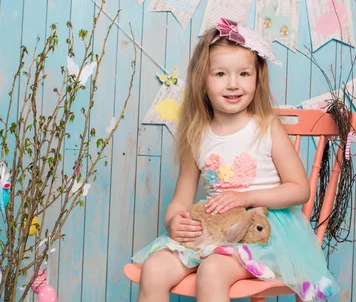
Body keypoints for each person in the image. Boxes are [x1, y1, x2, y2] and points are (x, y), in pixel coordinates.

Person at [131, 18, 339, 302]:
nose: (233, 84)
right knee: (153, 270)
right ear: (201, 80)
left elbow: (299, 189)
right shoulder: (197, 134)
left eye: (244, 74)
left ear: (257, 78)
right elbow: (181, 199)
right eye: (219, 74)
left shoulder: (266, 127)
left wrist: (246, 197)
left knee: (212, 271)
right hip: (213, 229)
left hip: (262, 231)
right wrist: (173, 220)